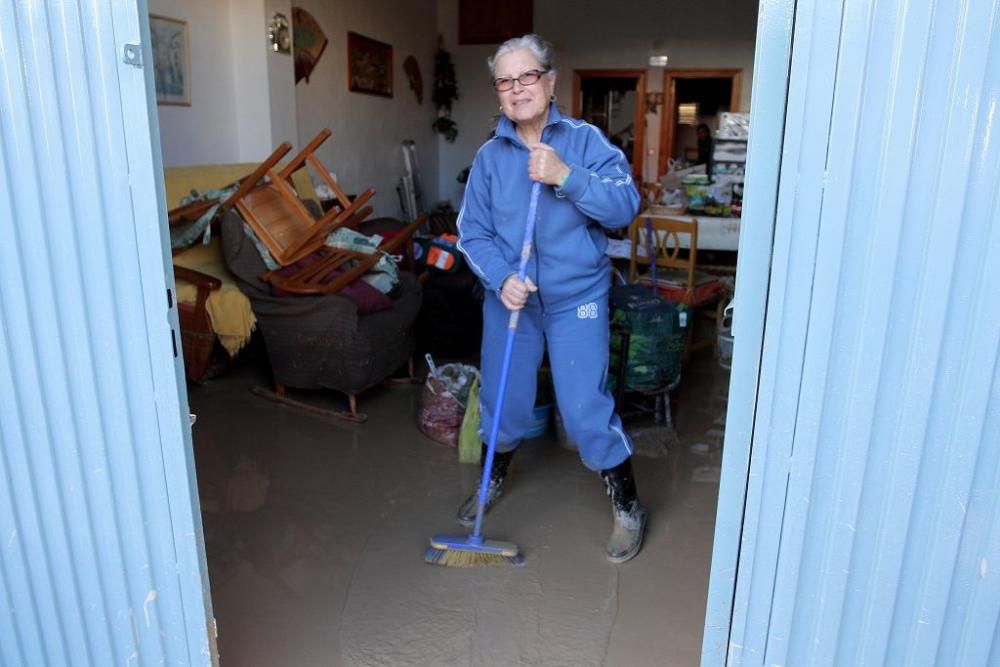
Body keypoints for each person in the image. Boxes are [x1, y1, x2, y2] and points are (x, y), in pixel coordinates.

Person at [455, 34, 645, 563]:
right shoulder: (490, 157)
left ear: (550, 81)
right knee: (503, 403)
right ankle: (492, 481)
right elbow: (472, 233)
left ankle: (627, 503)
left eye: (527, 77)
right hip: (513, 301)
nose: (517, 89)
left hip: (575, 298)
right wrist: (501, 279)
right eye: (505, 81)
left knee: (584, 408)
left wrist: (566, 176)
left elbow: (624, 205)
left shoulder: (585, 141)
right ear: (497, 93)